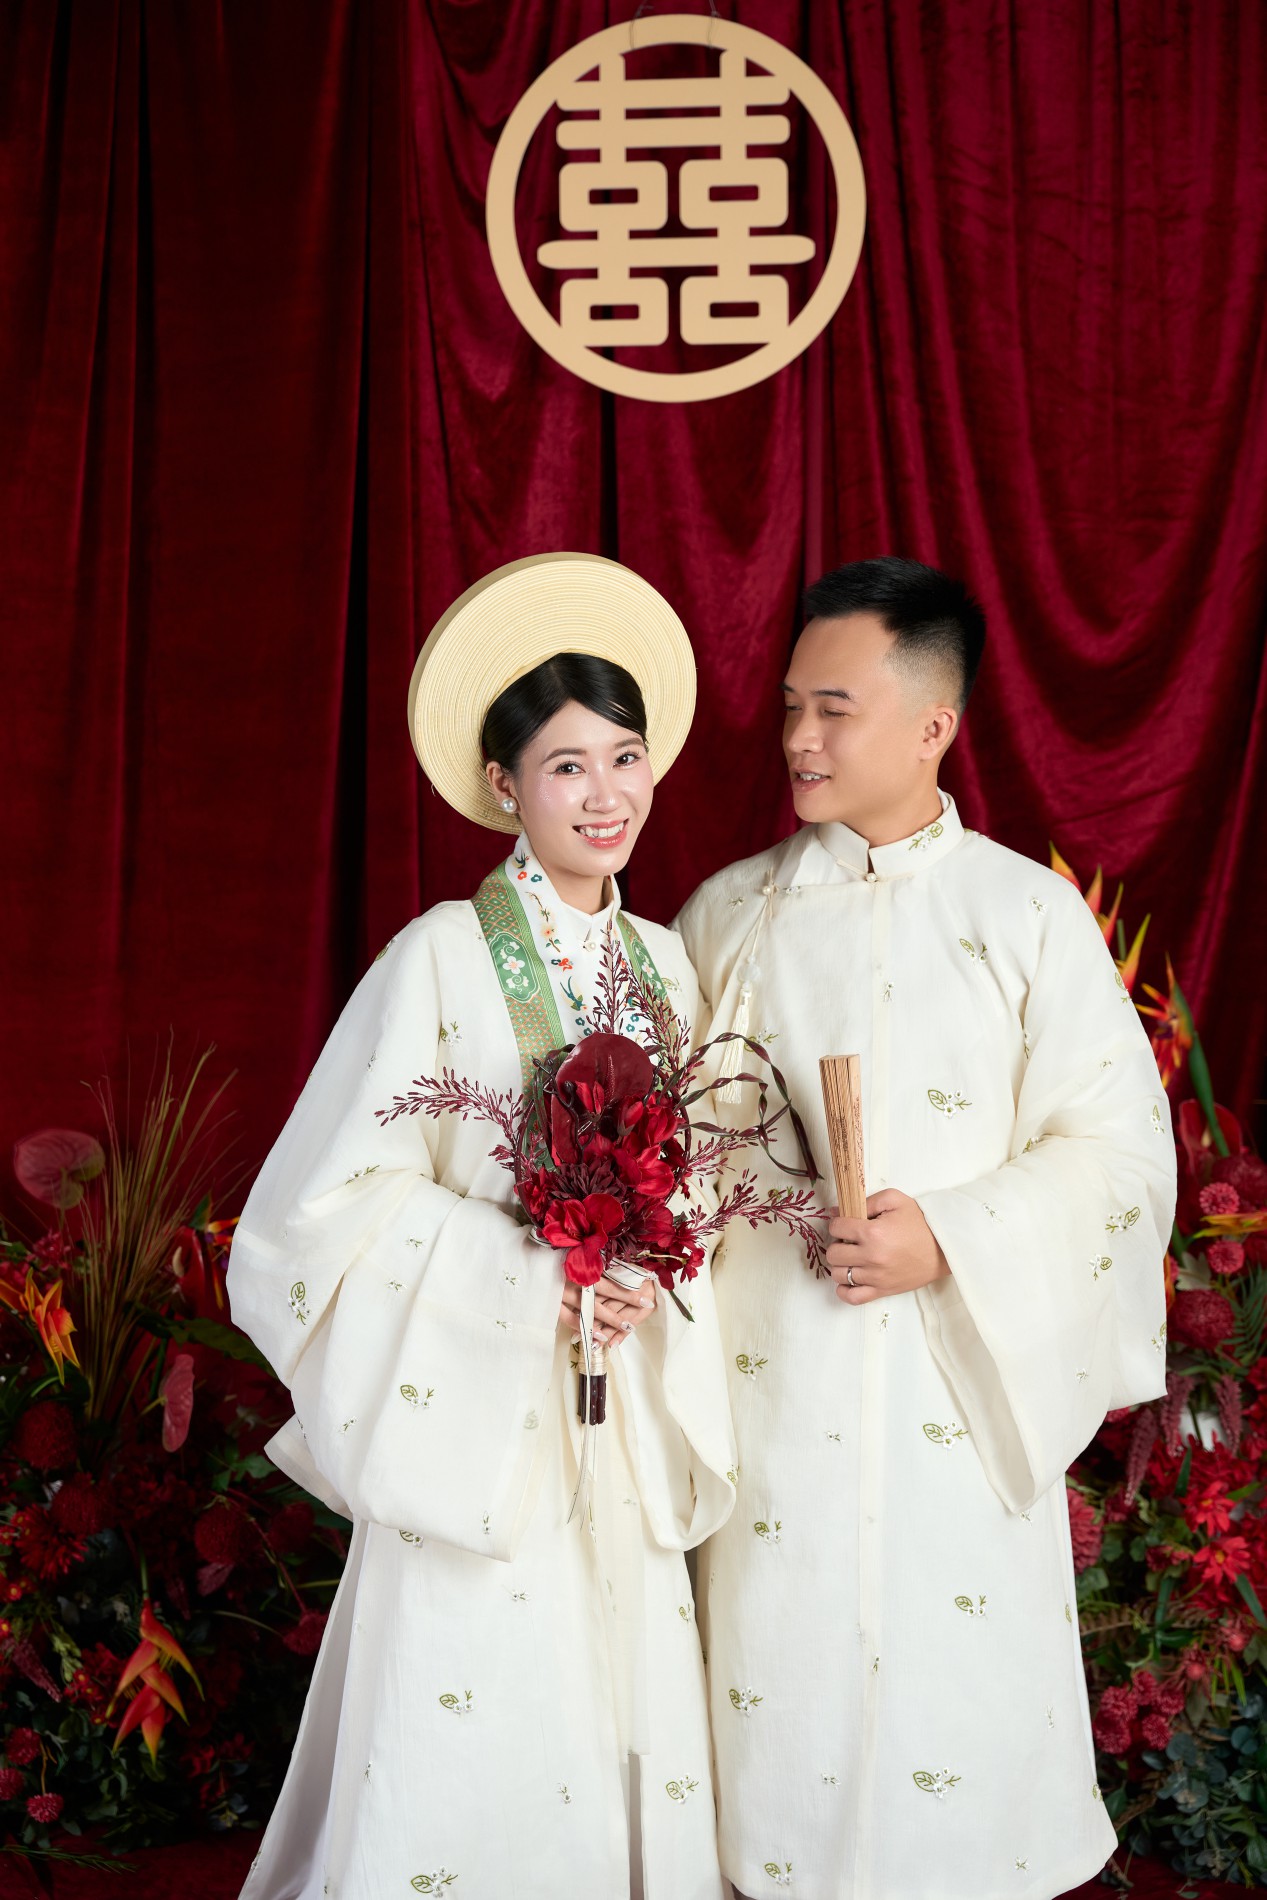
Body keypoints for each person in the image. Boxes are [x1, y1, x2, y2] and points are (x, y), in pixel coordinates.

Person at [228, 554, 736, 1900]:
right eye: (567, 766)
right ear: (505, 785)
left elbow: (701, 1182)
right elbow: (321, 1209)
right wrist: (530, 1274)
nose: (607, 795)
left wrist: (651, 1270)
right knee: (475, 1697)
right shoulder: (440, 956)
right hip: (476, 1409)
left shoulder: (669, 968)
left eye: (625, 758)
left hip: (621, 1405)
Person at [676, 556, 1176, 1900]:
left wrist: (951, 1234)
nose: (799, 737)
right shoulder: (727, 916)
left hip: (956, 1397)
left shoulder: (1027, 918)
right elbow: (675, 1160)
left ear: (932, 725)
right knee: (776, 1729)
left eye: (834, 709)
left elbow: (1123, 1158)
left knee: (955, 1741)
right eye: (792, 705)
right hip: (774, 1403)